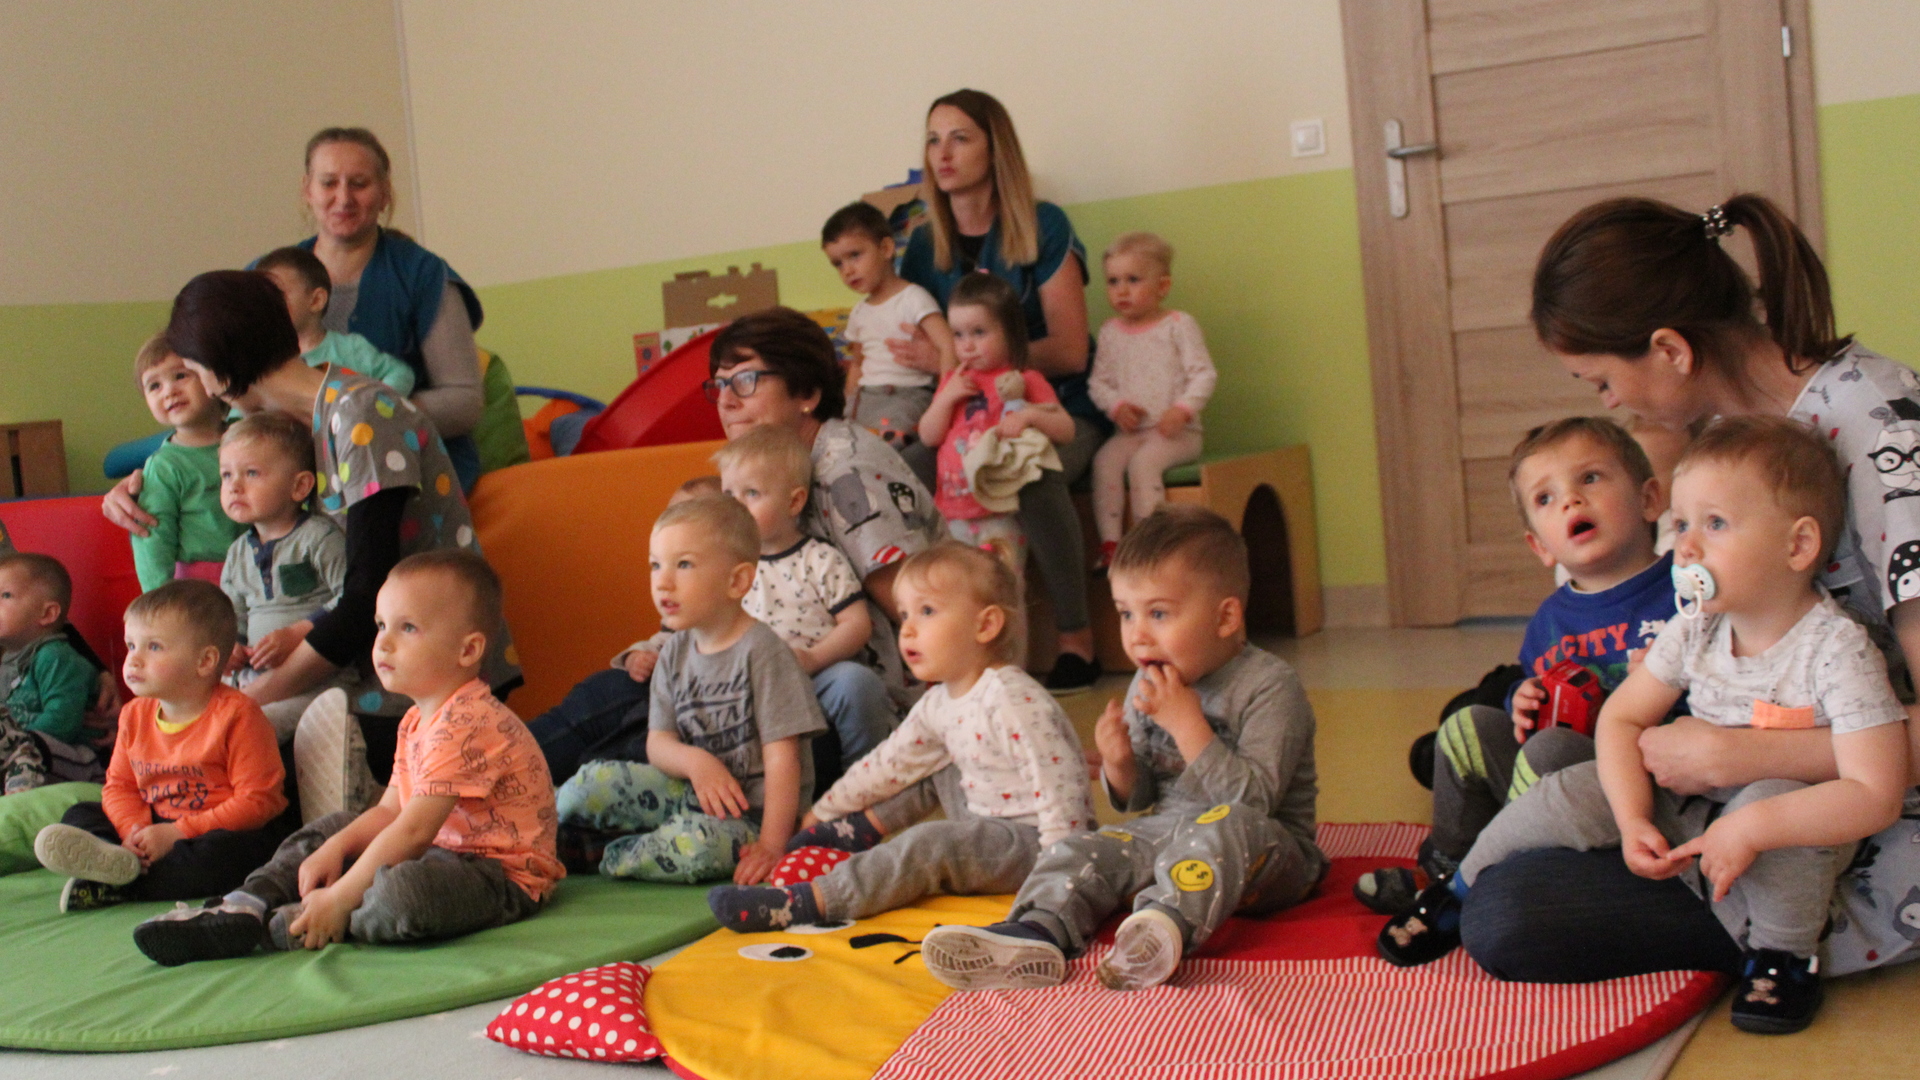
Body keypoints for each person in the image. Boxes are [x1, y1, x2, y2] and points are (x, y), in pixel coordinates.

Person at [1458, 194, 1920, 987]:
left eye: (1602, 381)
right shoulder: (1726, 437)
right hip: (1742, 781)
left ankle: (1780, 943)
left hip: (1855, 815)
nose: (1609, 403)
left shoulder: (1882, 435)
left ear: (1669, 349)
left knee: (1511, 912)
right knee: (1550, 789)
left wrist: (1736, 754)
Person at [1392, 417, 1907, 1034]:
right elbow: (1624, 717)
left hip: (1782, 816)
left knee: (1776, 811)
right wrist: (1633, 816)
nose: (1685, 548)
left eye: (1714, 524)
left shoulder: (1838, 650)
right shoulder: (1694, 627)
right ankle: (1458, 888)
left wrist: (1751, 826)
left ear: (1797, 546)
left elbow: (1874, 793)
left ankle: (1782, 959)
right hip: (1689, 799)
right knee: (1570, 787)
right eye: (1682, 525)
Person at [155, 270, 520, 824]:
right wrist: (140, 488)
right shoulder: (286, 424)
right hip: (351, 670)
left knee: (238, 774)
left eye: (196, 370)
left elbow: (367, 595)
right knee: (198, 773)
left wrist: (248, 703)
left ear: (221, 365)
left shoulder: (363, 414)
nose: (204, 389)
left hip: (426, 678)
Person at [921, 507, 1325, 992]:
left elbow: (1255, 803)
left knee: (1232, 826)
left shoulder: (1270, 687)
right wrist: (1120, 765)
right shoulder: (1146, 680)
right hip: (1169, 835)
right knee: (1080, 847)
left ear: (1225, 617)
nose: (1137, 634)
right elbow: (1141, 800)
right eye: (1126, 613)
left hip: (1270, 856)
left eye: (1158, 613)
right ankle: (1037, 931)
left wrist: (1188, 725)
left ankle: (1161, 929)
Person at [130, 552, 560, 965]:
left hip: (496, 876)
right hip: (435, 851)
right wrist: (335, 847)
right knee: (335, 825)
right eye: (381, 625)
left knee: (403, 894)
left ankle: (296, 922)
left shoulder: (468, 720)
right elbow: (390, 811)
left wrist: (341, 896)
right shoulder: (416, 720)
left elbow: (412, 831)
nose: (383, 643)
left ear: (466, 651)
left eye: (408, 628)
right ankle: (245, 904)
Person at [101, 126, 487, 541]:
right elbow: (218, 403)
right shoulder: (264, 278)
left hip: (403, 469)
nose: (343, 197)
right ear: (307, 190)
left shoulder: (424, 275)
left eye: (359, 183)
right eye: (329, 182)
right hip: (282, 469)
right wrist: (154, 478)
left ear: (384, 192)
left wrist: (357, 423)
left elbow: (463, 401)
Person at [1354, 417, 1671, 914]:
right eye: (1546, 498)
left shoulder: (1685, 592)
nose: (1571, 501)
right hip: (1537, 790)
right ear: (1540, 547)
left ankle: (1493, 878)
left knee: (1549, 748)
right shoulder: (1549, 619)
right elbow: (1529, 691)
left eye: (1590, 478)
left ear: (1649, 500)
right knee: (1466, 726)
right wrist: (1519, 700)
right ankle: (1445, 865)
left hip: (1626, 792)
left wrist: (1671, 682)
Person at [706, 541, 1091, 932]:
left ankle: (810, 901)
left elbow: (1061, 787)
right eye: (904, 614)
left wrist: (1060, 873)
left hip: (1034, 844)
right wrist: (823, 812)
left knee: (928, 843)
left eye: (927, 612)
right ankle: (860, 829)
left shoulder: (1011, 698)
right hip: (982, 823)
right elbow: (889, 764)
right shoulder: (938, 701)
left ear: (985, 626)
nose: (907, 629)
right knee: (930, 766)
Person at [894, 89, 1101, 694]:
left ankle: (1076, 639)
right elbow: (918, 352)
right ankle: (920, 639)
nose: (943, 153)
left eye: (960, 138)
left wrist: (975, 363)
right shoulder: (923, 247)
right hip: (962, 418)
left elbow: (1070, 348)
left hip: (1054, 407)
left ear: (995, 149)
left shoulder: (1043, 225)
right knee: (900, 473)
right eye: (933, 140)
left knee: (1032, 472)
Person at [553, 497, 825, 885]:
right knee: (586, 786)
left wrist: (771, 844)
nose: (663, 581)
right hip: (688, 792)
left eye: (683, 565)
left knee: (695, 846)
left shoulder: (764, 653)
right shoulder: (673, 652)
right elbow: (658, 743)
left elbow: (785, 760)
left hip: (751, 818)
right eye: (655, 565)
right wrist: (696, 763)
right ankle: (538, 827)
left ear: (736, 581)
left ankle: (598, 853)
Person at [706, 308, 945, 709]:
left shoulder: (846, 475)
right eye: (719, 385)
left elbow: (915, 609)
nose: (726, 402)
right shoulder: (768, 468)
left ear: (808, 394)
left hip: (873, 696)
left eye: (746, 381)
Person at [34, 580, 286, 913]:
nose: (133, 660)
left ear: (205, 661)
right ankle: (117, 862)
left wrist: (177, 833)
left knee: (234, 855)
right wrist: (133, 831)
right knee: (79, 814)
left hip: (210, 832)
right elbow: (119, 787)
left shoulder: (238, 715)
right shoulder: (134, 714)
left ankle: (117, 881)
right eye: (131, 645)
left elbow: (258, 801)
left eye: (153, 647)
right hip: (151, 827)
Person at [716, 426, 896, 778]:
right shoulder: (725, 567)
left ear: (794, 502)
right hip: (750, 688)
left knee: (857, 684)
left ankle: (863, 780)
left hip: (816, 676)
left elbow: (856, 624)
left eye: (751, 493)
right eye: (728, 494)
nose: (735, 507)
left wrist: (813, 658)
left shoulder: (819, 559)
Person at [524, 476, 721, 787]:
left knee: (607, 700)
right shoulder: (684, 598)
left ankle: (506, 767)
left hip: (673, 715)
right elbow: (665, 640)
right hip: (652, 704)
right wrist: (637, 656)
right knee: (597, 696)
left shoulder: (731, 601)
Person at [920, 273, 1076, 587]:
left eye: (979, 332)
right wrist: (946, 398)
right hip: (952, 513)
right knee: (959, 595)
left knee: (1004, 588)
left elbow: (1066, 429)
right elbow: (928, 435)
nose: (967, 345)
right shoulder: (954, 381)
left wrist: (1030, 415)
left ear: (1009, 332)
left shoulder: (1024, 379)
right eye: (958, 334)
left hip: (1000, 513)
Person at [1087, 233, 1217, 569]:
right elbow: (1098, 383)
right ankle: (1111, 544)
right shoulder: (1110, 332)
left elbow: (1204, 375)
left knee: (1143, 465)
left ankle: (1150, 545)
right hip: (1131, 433)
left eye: (1133, 280)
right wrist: (1116, 407)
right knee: (1104, 462)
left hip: (1178, 434)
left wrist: (1182, 410)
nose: (1122, 290)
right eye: (1113, 281)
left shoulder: (1178, 326)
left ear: (1162, 286)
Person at [216, 413, 348, 740]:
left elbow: (352, 599)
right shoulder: (237, 553)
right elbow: (231, 615)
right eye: (226, 475)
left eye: (251, 473)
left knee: (249, 729)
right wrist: (230, 644)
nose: (234, 485)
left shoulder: (319, 537)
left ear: (299, 486)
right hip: (251, 679)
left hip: (317, 683)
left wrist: (297, 634)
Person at [823, 201, 954, 488]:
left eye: (855, 255)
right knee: (840, 449)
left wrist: (947, 397)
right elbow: (858, 363)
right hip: (865, 397)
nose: (847, 270)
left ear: (885, 249)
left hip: (907, 395)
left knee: (884, 454)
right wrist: (848, 402)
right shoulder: (859, 312)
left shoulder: (913, 298)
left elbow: (947, 346)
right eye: (838, 264)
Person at [129, 333, 243, 590]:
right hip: (201, 584)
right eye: (154, 386)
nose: (169, 391)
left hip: (261, 569)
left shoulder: (248, 435)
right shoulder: (163, 466)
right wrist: (159, 598)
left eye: (181, 376)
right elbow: (152, 539)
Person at [255, 245, 418, 396]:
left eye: (278, 294)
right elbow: (245, 407)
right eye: (262, 297)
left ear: (316, 300)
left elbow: (401, 374)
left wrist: (374, 406)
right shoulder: (262, 359)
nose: (268, 304)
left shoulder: (350, 350)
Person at [0, 553, 99, 790]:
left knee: (29, 746)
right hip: (21, 757)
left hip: (74, 760)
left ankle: (19, 798)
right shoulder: (7, 662)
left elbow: (63, 722)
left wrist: (15, 744)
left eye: (5, 595)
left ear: (47, 614)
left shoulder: (55, 656)